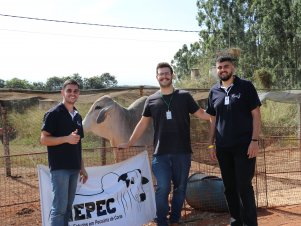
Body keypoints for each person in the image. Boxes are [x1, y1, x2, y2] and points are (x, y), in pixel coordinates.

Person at [118, 62, 209, 226]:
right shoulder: (151, 100)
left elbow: (201, 113)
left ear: (172, 75)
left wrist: (216, 115)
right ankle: (161, 220)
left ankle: (175, 219)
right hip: (161, 154)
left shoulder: (184, 96)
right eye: (161, 74)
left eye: (167, 73)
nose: (164, 76)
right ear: (157, 77)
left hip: (183, 153)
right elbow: (142, 123)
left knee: (180, 189)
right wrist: (129, 142)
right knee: (162, 188)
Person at [206, 52, 261, 226]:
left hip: (244, 146)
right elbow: (212, 119)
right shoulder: (214, 91)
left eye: (226, 66)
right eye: (220, 67)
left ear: (233, 68)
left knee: (244, 187)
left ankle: (250, 223)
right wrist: (210, 144)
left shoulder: (246, 87)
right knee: (229, 188)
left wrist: (254, 140)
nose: (223, 70)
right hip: (223, 148)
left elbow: (256, 115)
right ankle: (236, 221)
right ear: (217, 70)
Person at [40, 79, 88, 226]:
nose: (72, 93)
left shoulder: (78, 116)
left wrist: (82, 167)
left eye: (75, 91)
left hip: (74, 168)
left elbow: (78, 144)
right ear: (62, 92)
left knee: (67, 208)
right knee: (59, 209)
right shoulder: (54, 113)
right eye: (69, 91)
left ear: (78, 94)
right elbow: (43, 139)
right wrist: (66, 138)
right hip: (60, 168)